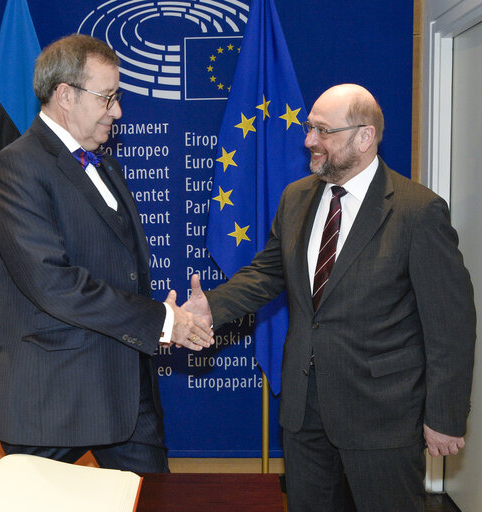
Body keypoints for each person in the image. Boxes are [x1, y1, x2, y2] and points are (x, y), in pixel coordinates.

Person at [184, 84, 476, 511]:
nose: (308, 141)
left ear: (364, 136)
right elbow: (267, 273)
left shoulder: (418, 211)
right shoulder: (296, 197)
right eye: (309, 128)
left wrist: (445, 417)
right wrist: (211, 306)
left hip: (382, 414)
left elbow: (451, 324)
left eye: (322, 131)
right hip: (304, 410)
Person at [0, 34, 213, 472]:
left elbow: (118, 268)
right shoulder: (17, 166)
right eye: (107, 97)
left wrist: (161, 313)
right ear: (65, 96)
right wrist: (161, 320)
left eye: (118, 97)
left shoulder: (104, 162)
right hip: (53, 403)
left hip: (129, 396)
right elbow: (53, 284)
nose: (118, 111)